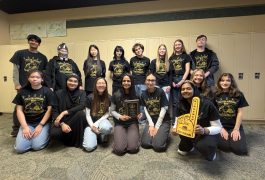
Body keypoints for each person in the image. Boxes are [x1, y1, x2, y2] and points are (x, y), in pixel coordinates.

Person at [172, 80, 222, 161]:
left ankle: (211, 149)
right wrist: (175, 128)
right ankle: (191, 145)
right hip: (189, 132)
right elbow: (177, 121)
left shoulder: (207, 104)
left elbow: (218, 127)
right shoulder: (180, 104)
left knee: (206, 150)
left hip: (207, 133)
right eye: (183, 89)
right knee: (182, 150)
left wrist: (204, 130)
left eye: (188, 88)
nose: (185, 91)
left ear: (194, 90)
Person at [10, 34, 48, 137]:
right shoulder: (20, 53)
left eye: (36, 41)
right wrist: (17, 84)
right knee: (19, 106)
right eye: (31, 40)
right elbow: (16, 70)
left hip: (38, 85)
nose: (33, 42)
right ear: (28, 42)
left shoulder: (43, 57)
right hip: (23, 85)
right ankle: (16, 128)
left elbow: (44, 73)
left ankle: (37, 125)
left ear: (39, 44)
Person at [12, 70, 53, 153]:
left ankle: (42, 137)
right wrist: (24, 127)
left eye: (37, 77)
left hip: (43, 123)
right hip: (28, 123)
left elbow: (50, 110)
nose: (35, 79)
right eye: (32, 77)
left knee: (36, 146)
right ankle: (30, 139)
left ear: (42, 79)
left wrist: (41, 125)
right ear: (28, 78)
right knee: (20, 149)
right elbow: (19, 110)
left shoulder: (48, 91)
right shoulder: (22, 91)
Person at [214, 73, 249, 155]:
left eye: (228, 80)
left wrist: (236, 129)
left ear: (231, 82)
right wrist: (220, 128)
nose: (225, 83)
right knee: (225, 147)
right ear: (219, 82)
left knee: (240, 150)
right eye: (222, 80)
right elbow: (213, 113)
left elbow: (240, 112)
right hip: (220, 125)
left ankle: (233, 135)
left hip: (234, 125)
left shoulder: (238, 94)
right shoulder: (215, 94)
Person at [51, 74, 87, 148]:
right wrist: (62, 124)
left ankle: (75, 140)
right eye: (70, 80)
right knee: (54, 134)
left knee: (81, 114)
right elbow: (55, 110)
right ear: (66, 81)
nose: (72, 83)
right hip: (62, 120)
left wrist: (64, 112)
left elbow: (82, 106)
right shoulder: (58, 93)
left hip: (75, 119)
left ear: (78, 83)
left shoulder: (82, 93)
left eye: (75, 81)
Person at [110, 74, 141, 155]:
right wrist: (120, 117)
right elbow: (112, 111)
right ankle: (119, 139)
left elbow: (140, 110)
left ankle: (130, 137)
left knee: (133, 149)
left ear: (132, 82)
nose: (126, 83)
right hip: (119, 123)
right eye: (124, 81)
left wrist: (140, 115)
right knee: (119, 150)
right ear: (121, 82)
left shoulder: (137, 95)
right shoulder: (116, 94)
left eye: (128, 81)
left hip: (132, 122)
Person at [141, 73, 171, 152]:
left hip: (164, 120)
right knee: (145, 144)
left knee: (158, 146)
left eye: (152, 80)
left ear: (155, 82)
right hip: (152, 120)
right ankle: (156, 136)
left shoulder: (160, 91)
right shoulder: (143, 94)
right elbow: (145, 109)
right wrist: (151, 124)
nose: (150, 82)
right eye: (148, 80)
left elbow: (164, 108)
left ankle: (162, 135)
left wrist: (157, 127)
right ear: (145, 81)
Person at [83, 78, 112, 152]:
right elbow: (87, 115)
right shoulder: (89, 97)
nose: (101, 85)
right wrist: (92, 126)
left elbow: (107, 113)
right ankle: (96, 136)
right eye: (99, 83)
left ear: (106, 85)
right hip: (90, 123)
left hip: (102, 120)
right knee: (89, 147)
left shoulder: (109, 97)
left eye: (103, 83)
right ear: (95, 85)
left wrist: (96, 124)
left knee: (107, 128)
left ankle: (101, 134)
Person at [169, 39, 191, 123]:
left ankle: (184, 121)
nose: (177, 46)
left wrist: (182, 81)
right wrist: (172, 82)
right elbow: (169, 71)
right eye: (176, 45)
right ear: (174, 47)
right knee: (175, 102)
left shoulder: (186, 56)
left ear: (182, 46)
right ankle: (175, 121)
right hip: (173, 79)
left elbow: (187, 70)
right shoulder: (171, 57)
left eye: (179, 44)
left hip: (183, 79)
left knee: (184, 100)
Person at [130, 43, 150, 123]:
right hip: (134, 83)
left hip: (143, 83)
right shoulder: (132, 59)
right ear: (134, 52)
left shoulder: (147, 60)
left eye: (139, 49)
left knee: (143, 101)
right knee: (135, 101)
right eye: (136, 50)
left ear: (142, 49)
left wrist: (147, 82)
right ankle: (135, 118)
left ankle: (142, 119)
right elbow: (130, 71)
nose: (138, 51)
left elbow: (148, 72)